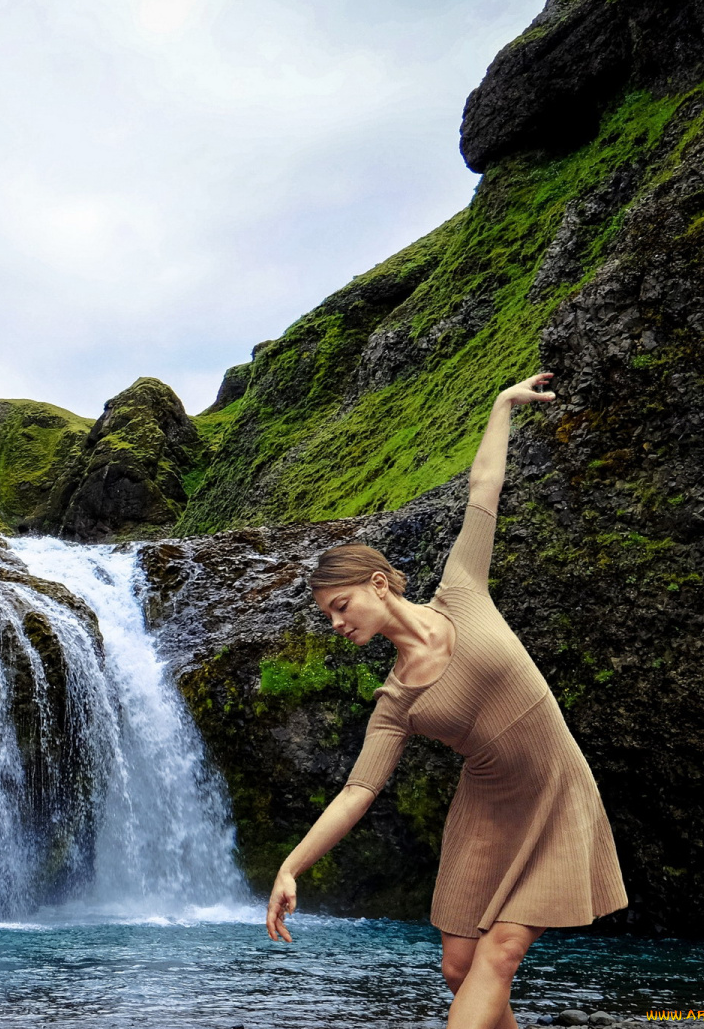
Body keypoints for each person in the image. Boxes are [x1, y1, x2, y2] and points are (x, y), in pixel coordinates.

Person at [264, 372, 627, 1029]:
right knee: (459, 969)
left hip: (555, 788)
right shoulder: (396, 697)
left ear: (379, 584)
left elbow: (483, 490)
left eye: (341, 607)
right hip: (485, 814)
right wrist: (291, 865)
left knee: (500, 954)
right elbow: (356, 793)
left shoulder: (463, 589)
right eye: (329, 617)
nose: (339, 624)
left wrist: (501, 406)